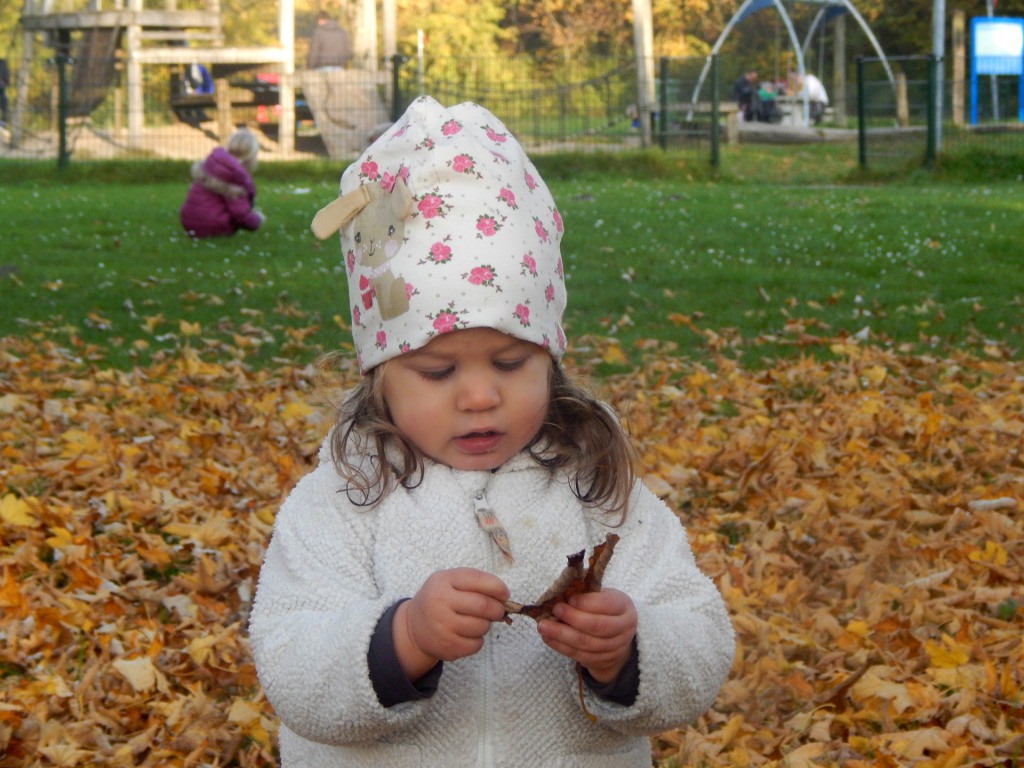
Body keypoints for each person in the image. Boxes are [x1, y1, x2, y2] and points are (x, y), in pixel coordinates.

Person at [249, 95, 735, 767]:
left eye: (510, 363)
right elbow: (289, 663)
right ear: (381, 376)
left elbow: (701, 641)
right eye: (437, 371)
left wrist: (629, 649)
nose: (480, 396)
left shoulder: (596, 488)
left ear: (551, 362)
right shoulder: (345, 497)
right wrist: (403, 639)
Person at [179, 128, 264, 238]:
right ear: (251, 156)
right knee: (235, 215)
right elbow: (240, 213)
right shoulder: (235, 176)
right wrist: (257, 220)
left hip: (189, 223)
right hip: (214, 226)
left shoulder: (212, 165)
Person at [0, 58, 9, 125]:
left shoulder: (2, 63)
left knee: (3, 103)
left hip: (2, 90)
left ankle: (3, 122)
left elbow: (6, 79)